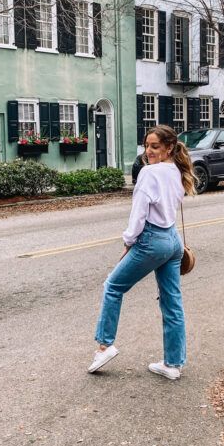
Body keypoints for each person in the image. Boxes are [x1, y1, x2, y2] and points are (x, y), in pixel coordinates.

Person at [88, 125, 196, 380]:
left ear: (169, 147)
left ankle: (104, 346)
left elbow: (139, 214)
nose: (149, 151)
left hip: (151, 238)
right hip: (172, 242)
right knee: (172, 301)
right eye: (147, 145)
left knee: (113, 286)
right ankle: (173, 364)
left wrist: (129, 240)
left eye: (155, 146)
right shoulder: (178, 171)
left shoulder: (149, 173)